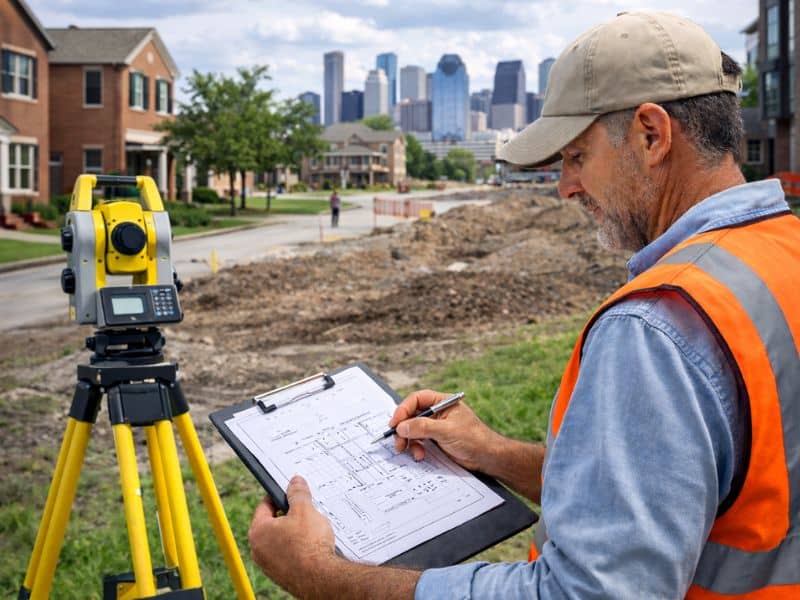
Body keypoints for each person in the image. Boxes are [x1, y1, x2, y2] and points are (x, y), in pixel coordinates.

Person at [248, 12, 800, 598]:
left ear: (651, 135)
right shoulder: (780, 252)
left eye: (576, 156)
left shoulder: (657, 328)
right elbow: (674, 487)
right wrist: (493, 454)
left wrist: (323, 576)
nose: (564, 186)